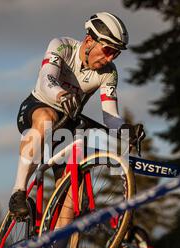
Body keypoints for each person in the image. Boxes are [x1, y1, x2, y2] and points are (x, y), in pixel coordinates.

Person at [10, 12, 145, 222]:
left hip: (68, 123)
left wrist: (125, 129)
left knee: (73, 193)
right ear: (89, 40)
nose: (110, 58)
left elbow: (110, 118)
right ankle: (18, 192)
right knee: (47, 116)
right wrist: (61, 94)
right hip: (39, 106)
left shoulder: (109, 73)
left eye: (116, 54)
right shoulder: (62, 46)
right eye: (108, 50)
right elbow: (46, 80)